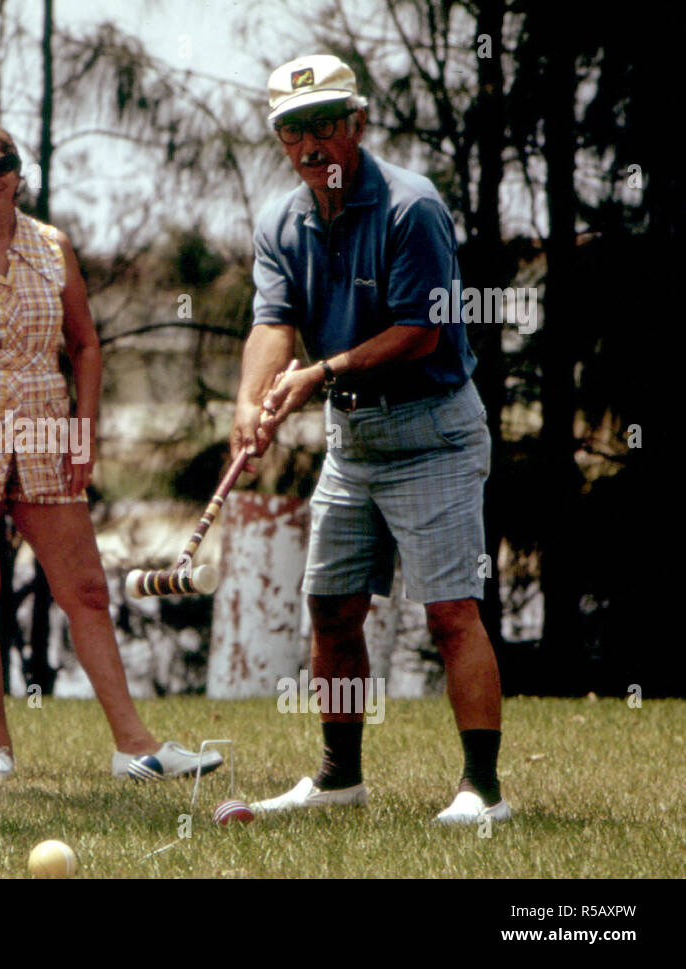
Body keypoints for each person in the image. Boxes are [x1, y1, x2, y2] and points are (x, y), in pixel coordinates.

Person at [230, 55, 509, 824]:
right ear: (281, 140)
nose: (311, 141)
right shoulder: (281, 222)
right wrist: (251, 403)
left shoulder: (410, 209)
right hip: (354, 441)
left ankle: (482, 790)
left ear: (357, 122)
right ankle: (337, 779)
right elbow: (272, 323)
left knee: (451, 610)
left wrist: (319, 373)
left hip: (434, 432)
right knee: (330, 606)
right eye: (294, 128)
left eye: (325, 122)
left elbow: (423, 333)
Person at [0, 117, 221, 784]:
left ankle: (136, 746)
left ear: (18, 172)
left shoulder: (54, 246)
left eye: (0, 164)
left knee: (85, 588)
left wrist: (85, 429)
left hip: (48, 427)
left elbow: (86, 346)